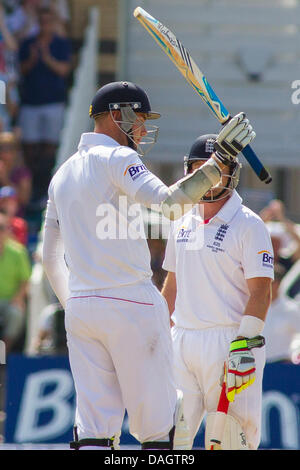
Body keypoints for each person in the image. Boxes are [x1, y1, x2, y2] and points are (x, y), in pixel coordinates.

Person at [42, 80, 255, 450]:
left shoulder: (61, 174)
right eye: (138, 118)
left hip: (80, 309)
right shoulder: (120, 158)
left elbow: (49, 257)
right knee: (159, 429)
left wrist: (74, 303)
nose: (142, 129)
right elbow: (171, 205)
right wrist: (218, 162)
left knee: (94, 430)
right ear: (115, 115)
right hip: (132, 303)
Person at [161, 133, 274, 450]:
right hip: (182, 341)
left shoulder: (249, 225)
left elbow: (261, 292)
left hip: (229, 343)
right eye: (200, 169)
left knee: (233, 441)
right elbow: (172, 285)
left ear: (232, 174)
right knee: (171, 440)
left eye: (217, 169)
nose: (208, 177)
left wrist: (243, 345)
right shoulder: (181, 220)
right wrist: (155, 331)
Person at [18, 6, 72, 204]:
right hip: (31, 102)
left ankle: (44, 187)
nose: (45, 25)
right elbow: (21, 71)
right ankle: (32, 187)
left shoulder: (61, 44)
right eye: (42, 22)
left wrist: (47, 58)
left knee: (50, 146)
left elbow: (64, 70)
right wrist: (32, 60)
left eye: (48, 21)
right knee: (30, 147)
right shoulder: (28, 44)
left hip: (53, 103)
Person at [0, 209, 31, 353]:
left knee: (16, 313)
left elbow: (25, 280)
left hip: (10, 301)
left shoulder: (18, 251)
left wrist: (18, 298)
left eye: (1, 228)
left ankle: (2, 355)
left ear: (7, 230)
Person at [263, 263, 300, 363]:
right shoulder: (258, 309)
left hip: (283, 366)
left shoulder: (291, 309)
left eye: (271, 282)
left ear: (278, 283)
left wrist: (296, 352)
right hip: (260, 364)